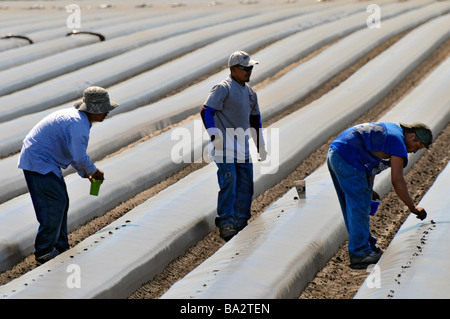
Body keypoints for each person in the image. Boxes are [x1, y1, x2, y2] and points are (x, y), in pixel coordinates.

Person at [18, 86, 118, 264]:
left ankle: (60, 246)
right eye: (104, 110)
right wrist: (93, 171)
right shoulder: (78, 126)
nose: (106, 113)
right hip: (39, 161)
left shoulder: (78, 119)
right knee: (54, 204)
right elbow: (79, 157)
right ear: (94, 110)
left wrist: (84, 173)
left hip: (45, 160)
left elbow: (71, 153)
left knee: (61, 201)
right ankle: (44, 251)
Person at [327, 122, 432, 268]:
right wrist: (412, 207)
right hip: (348, 158)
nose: (414, 151)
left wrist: (369, 189)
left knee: (355, 204)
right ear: (412, 136)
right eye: (417, 146)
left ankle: (367, 245)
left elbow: (371, 161)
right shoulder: (398, 143)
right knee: (359, 206)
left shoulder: (392, 131)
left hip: (336, 153)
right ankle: (360, 252)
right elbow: (397, 180)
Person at [200, 51, 267, 241]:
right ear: (233, 69)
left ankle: (240, 221)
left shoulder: (250, 93)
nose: (248, 71)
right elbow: (206, 111)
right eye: (244, 68)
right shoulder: (223, 88)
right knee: (229, 182)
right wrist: (214, 135)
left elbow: (255, 119)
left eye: (250, 68)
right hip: (225, 149)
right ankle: (226, 221)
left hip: (242, 148)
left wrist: (259, 145)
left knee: (245, 185)